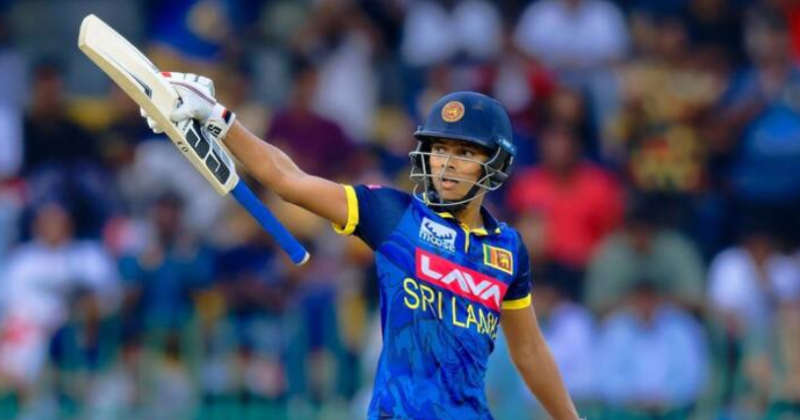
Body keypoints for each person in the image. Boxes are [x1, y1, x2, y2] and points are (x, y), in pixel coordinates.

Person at [140, 72, 582, 420]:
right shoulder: (392, 215)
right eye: (439, 149)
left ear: (495, 163)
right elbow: (288, 180)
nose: (446, 164)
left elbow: (529, 350)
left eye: (464, 153)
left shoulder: (508, 250)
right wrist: (221, 120)